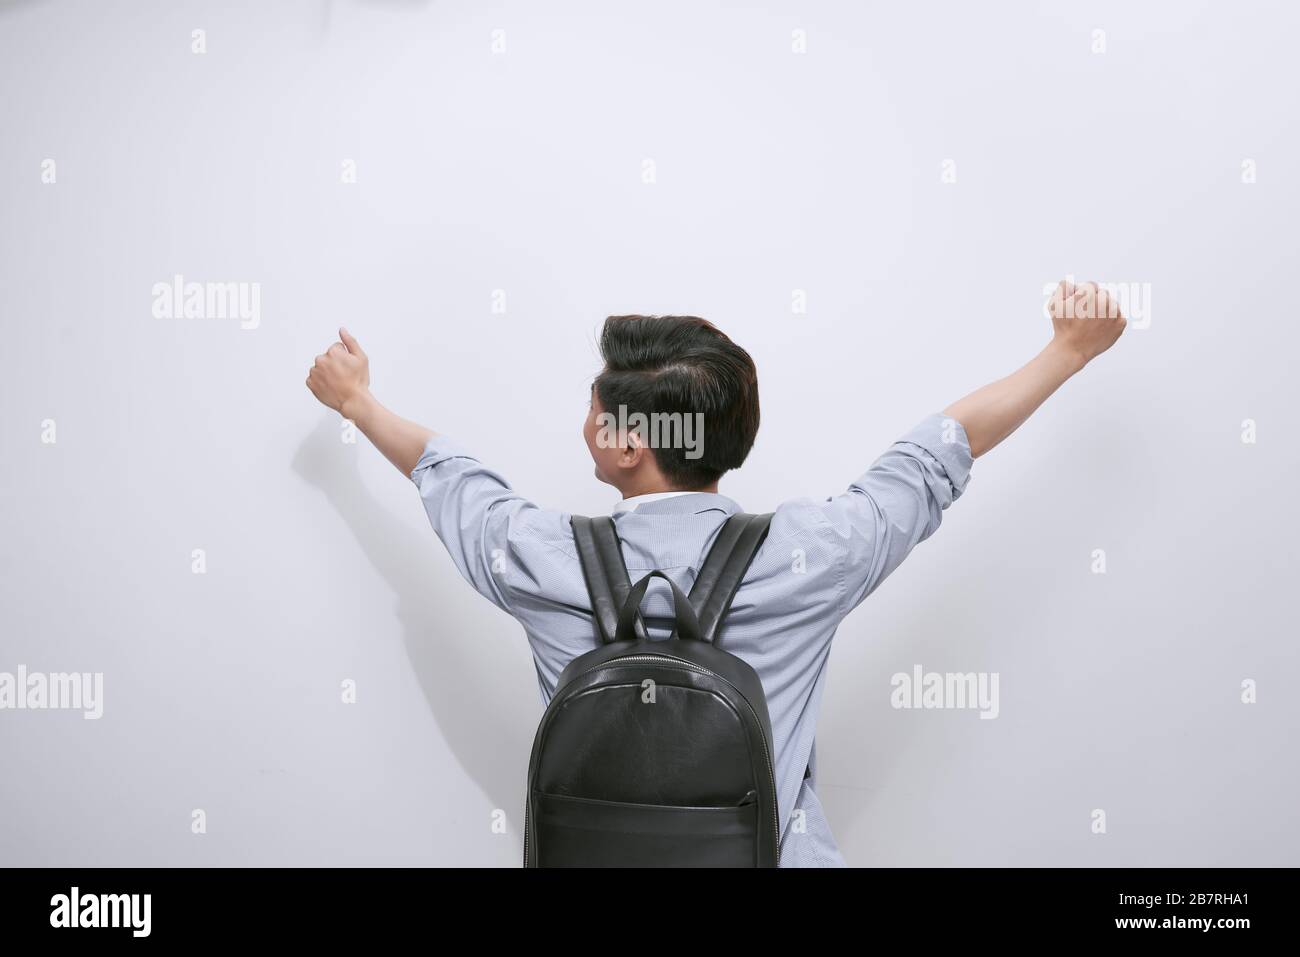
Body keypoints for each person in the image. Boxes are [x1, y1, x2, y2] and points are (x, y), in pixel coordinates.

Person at [304, 280, 1126, 866]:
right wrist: (1067, 349)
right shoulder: (818, 552)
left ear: (627, 441)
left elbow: (450, 477)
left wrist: (359, 403)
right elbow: (943, 447)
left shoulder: (538, 555)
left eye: (594, 408)